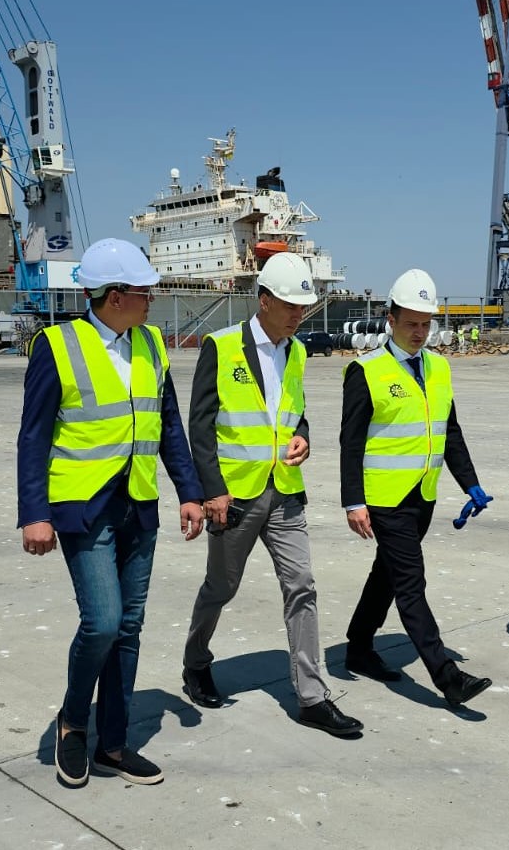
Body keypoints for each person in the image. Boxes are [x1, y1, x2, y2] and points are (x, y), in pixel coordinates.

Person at [17, 238, 204, 788]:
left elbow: (168, 425)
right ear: (116, 296)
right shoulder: (56, 345)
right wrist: (34, 513)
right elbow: (33, 436)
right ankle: (74, 723)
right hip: (82, 506)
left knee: (128, 627)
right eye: (145, 291)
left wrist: (188, 491)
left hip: (138, 504)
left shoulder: (151, 343)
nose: (152, 300)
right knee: (101, 621)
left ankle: (114, 745)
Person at [182, 252, 363, 737]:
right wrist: (212, 491)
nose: (299, 314)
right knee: (221, 587)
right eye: (290, 305)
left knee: (302, 585)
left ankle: (312, 697)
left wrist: (302, 435)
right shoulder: (221, 347)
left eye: (303, 306)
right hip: (235, 498)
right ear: (264, 301)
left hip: (285, 491)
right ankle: (196, 663)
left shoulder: (296, 351)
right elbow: (199, 427)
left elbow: (294, 411)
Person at [340, 269, 493, 708]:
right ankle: (447, 676)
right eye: (411, 324)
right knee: (410, 583)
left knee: (386, 575)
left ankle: (359, 647)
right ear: (390, 320)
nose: (419, 333)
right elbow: (351, 443)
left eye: (426, 324)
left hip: (423, 495)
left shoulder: (439, 367)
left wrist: (471, 483)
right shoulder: (365, 371)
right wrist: (353, 502)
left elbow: (450, 431)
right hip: (384, 499)